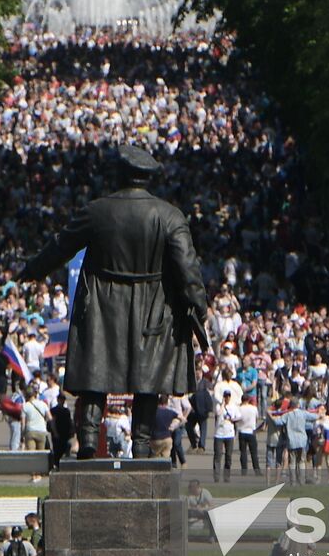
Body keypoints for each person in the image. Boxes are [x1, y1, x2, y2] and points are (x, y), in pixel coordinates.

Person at [17, 144, 208, 459]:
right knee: (148, 375)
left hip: (104, 303)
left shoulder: (97, 210)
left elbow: (60, 246)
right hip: (154, 306)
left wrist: (32, 270)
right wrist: (198, 304)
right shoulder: (169, 215)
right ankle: (142, 442)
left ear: (120, 174)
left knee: (96, 370)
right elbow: (188, 268)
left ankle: (90, 437)